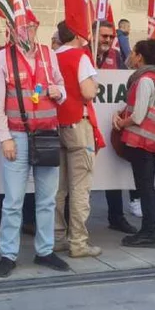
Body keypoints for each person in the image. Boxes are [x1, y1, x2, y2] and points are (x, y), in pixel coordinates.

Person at [0, 23, 70, 278]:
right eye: (20, 27)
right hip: (18, 134)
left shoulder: (49, 54)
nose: (27, 31)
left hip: (47, 133)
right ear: (11, 31)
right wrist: (5, 138)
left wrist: (60, 92)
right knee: (13, 200)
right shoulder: (3, 56)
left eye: (31, 27)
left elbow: (61, 87)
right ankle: (8, 254)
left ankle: (44, 250)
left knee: (47, 198)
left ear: (36, 28)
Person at [52, 22, 103, 258]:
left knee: (58, 188)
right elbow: (88, 92)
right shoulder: (80, 56)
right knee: (80, 187)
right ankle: (79, 242)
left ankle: (57, 237)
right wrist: (95, 84)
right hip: (78, 123)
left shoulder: (52, 56)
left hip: (57, 123)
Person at [113, 39, 155, 248]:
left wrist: (121, 123)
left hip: (143, 141)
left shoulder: (144, 80)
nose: (131, 56)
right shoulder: (153, 78)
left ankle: (148, 232)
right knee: (147, 187)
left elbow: (138, 116)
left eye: (133, 52)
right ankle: (148, 231)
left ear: (139, 57)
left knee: (145, 188)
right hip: (150, 142)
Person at [92, 21, 138, 235]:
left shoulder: (116, 56)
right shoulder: (84, 54)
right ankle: (70, 220)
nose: (108, 41)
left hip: (109, 124)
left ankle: (116, 217)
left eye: (111, 37)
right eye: (104, 36)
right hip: (87, 122)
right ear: (92, 35)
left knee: (113, 170)